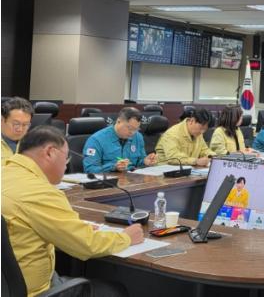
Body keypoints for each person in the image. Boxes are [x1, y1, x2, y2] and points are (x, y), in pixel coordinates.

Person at [2, 126, 144, 296]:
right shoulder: (40, 192)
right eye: (66, 158)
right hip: (31, 291)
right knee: (114, 291)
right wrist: (126, 237)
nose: (66, 166)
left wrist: (71, 228)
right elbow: (86, 245)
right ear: (50, 153)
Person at [83, 107, 157, 173]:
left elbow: (139, 162)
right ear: (118, 121)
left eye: (136, 129)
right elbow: (90, 169)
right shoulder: (96, 140)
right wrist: (113, 167)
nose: (132, 133)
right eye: (129, 128)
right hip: (109, 181)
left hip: (132, 179)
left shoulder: (138, 137)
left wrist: (145, 162)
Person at [2, 97, 34, 166]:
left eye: (25, 124)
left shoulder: (33, 145)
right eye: (16, 124)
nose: (20, 129)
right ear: (2, 121)